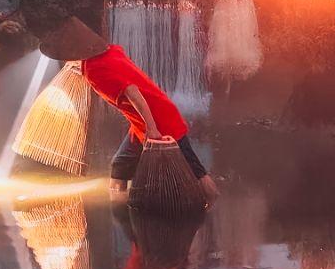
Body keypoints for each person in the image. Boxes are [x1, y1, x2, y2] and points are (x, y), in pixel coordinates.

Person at [38, 15, 219, 204]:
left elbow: (133, 92)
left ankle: (212, 201)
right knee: (120, 164)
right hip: (145, 119)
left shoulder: (96, 70)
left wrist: (152, 127)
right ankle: (119, 207)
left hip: (158, 119)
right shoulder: (110, 52)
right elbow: (111, 71)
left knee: (195, 169)